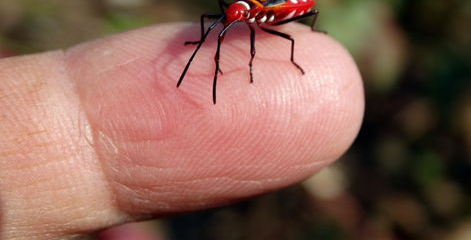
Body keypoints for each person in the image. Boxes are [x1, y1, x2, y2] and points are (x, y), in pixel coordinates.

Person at [0, 22, 364, 239]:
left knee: (271, 39)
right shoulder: (233, 17)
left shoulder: (257, 20)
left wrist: (250, 65)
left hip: (285, 0)